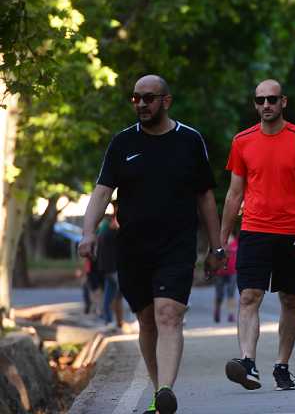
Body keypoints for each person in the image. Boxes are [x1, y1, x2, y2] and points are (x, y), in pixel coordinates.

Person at [78, 74, 225, 414]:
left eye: (149, 98)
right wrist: (88, 233)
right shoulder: (122, 143)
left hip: (177, 244)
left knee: (168, 314)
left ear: (166, 101)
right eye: (136, 98)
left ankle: (165, 390)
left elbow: (205, 196)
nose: (141, 104)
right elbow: (102, 191)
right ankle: (160, 391)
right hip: (132, 247)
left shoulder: (190, 140)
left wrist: (216, 247)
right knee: (146, 319)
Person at [221, 79, 295, 392]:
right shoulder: (242, 141)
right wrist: (221, 238)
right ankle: (248, 363)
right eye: (260, 100)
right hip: (254, 230)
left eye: (272, 100)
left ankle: (281, 365)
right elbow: (234, 193)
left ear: (283, 102)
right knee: (250, 296)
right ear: (255, 104)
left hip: (292, 231)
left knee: (290, 299)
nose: (266, 105)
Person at [96, 201, 125, 329]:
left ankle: (112, 320)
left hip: (110, 267)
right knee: (117, 294)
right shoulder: (108, 230)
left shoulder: (106, 230)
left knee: (112, 294)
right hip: (112, 267)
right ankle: (113, 320)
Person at [213, 229, 239, 324]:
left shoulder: (236, 242)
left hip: (232, 272)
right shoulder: (219, 242)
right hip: (219, 272)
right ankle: (217, 311)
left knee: (231, 294)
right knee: (219, 295)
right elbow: (213, 254)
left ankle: (231, 314)